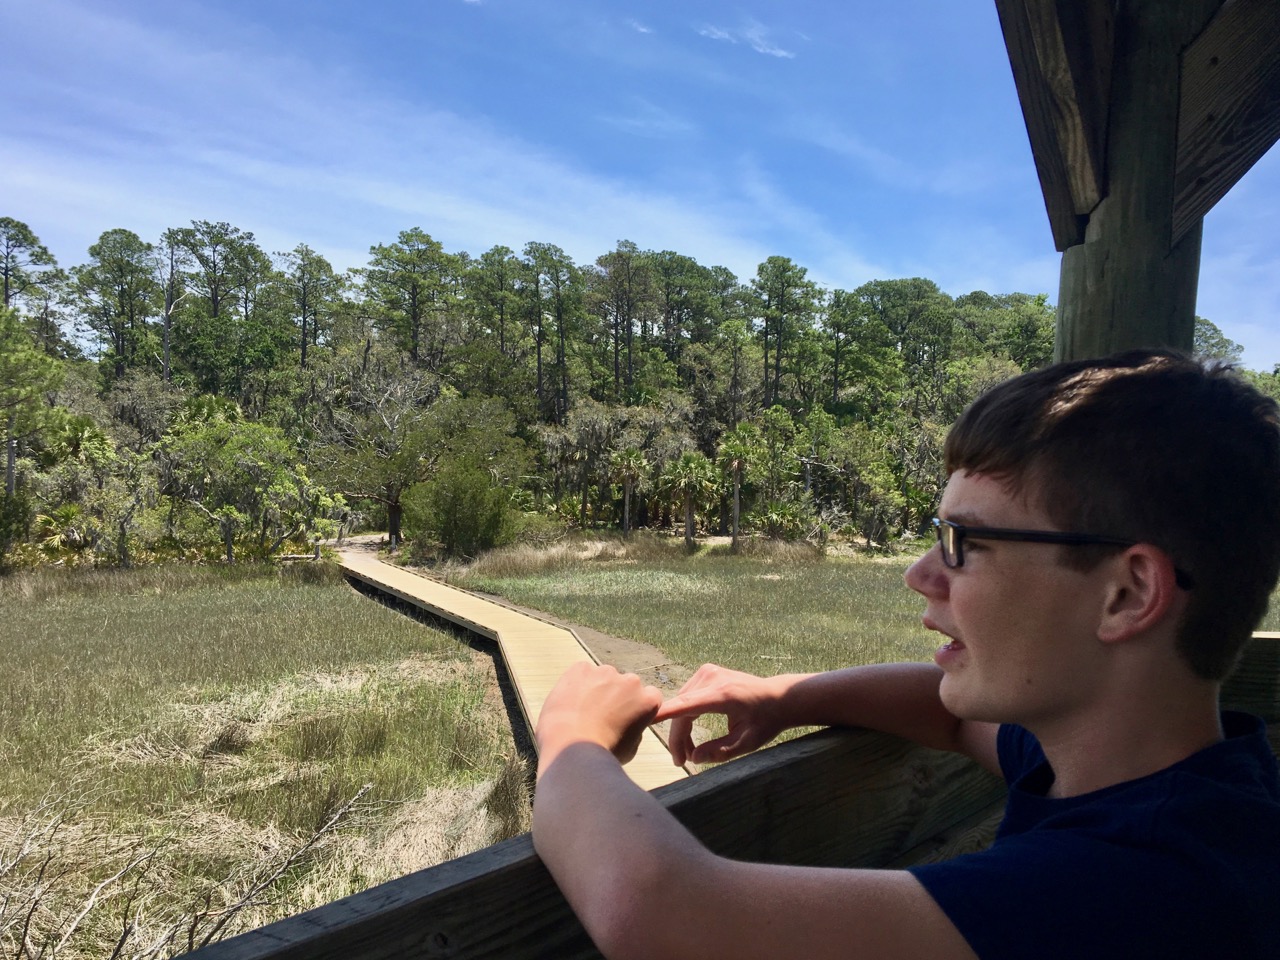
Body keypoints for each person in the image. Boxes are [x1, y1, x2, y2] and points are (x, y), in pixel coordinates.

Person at [531, 349, 1280, 960]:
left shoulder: (1141, 886)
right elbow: (949, 717)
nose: (919, 573)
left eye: (964, 542)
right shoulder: (1153, 776)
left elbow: (661, 913)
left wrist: (571, 735)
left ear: (1126, 594)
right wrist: (788, 696)